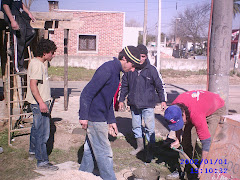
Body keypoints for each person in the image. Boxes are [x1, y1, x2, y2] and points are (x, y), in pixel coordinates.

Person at [79, 46, 141, 180]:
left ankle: (83, 175)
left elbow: (107, 100)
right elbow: (86, 93)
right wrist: (83, 116)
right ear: (124, 58)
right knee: (104, 153)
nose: (132, 69)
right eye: (132, 64)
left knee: (89, 151)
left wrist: (112, 120)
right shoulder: (107, 70)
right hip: (95, 117)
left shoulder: (115, 72)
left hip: (99, 116)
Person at [118, 44, 167, 162]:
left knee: (150, 127)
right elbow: (124, 86)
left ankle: (150, 149)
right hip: (134, 104)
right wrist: (121, 100)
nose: (141, 59)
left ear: (146, 56)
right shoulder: (129, 70)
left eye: (143, 56)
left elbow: (160, 86)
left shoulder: (152, 70)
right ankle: (140, 147)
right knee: (136, 126)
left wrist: (163, 100)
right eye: (139, 56)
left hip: (148, 105)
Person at [164, 90, 226, 179]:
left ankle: (206, 172)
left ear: (183, 115)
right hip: (197, 107)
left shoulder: (196, 115)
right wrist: (178, 139)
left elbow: (206, 141)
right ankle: (183, 170)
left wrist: (202, 166)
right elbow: (177, 126)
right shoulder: (173, 109)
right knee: (186, 141)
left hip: (215, 109)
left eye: (181, 121)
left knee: (210, 142)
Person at [25, 39, 58, 171]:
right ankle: (42, 162)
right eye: (52, 53)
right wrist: (41, 103)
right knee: (42, 133)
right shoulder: (37, 65)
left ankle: (33, 151)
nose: (53, 55)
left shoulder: (36, 62)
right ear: (45, 53)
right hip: (40, 104)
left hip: (39, 102)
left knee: (36, 128)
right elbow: (33, 85)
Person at [1, 0, 36, 74]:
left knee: (31, 32)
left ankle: (13, 49)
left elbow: (21, 3)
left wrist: (29, 13)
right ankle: (18, 68)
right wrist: (12, 20)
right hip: (13, 16)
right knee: (19, 41)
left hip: (19, 15)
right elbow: (5, 5)